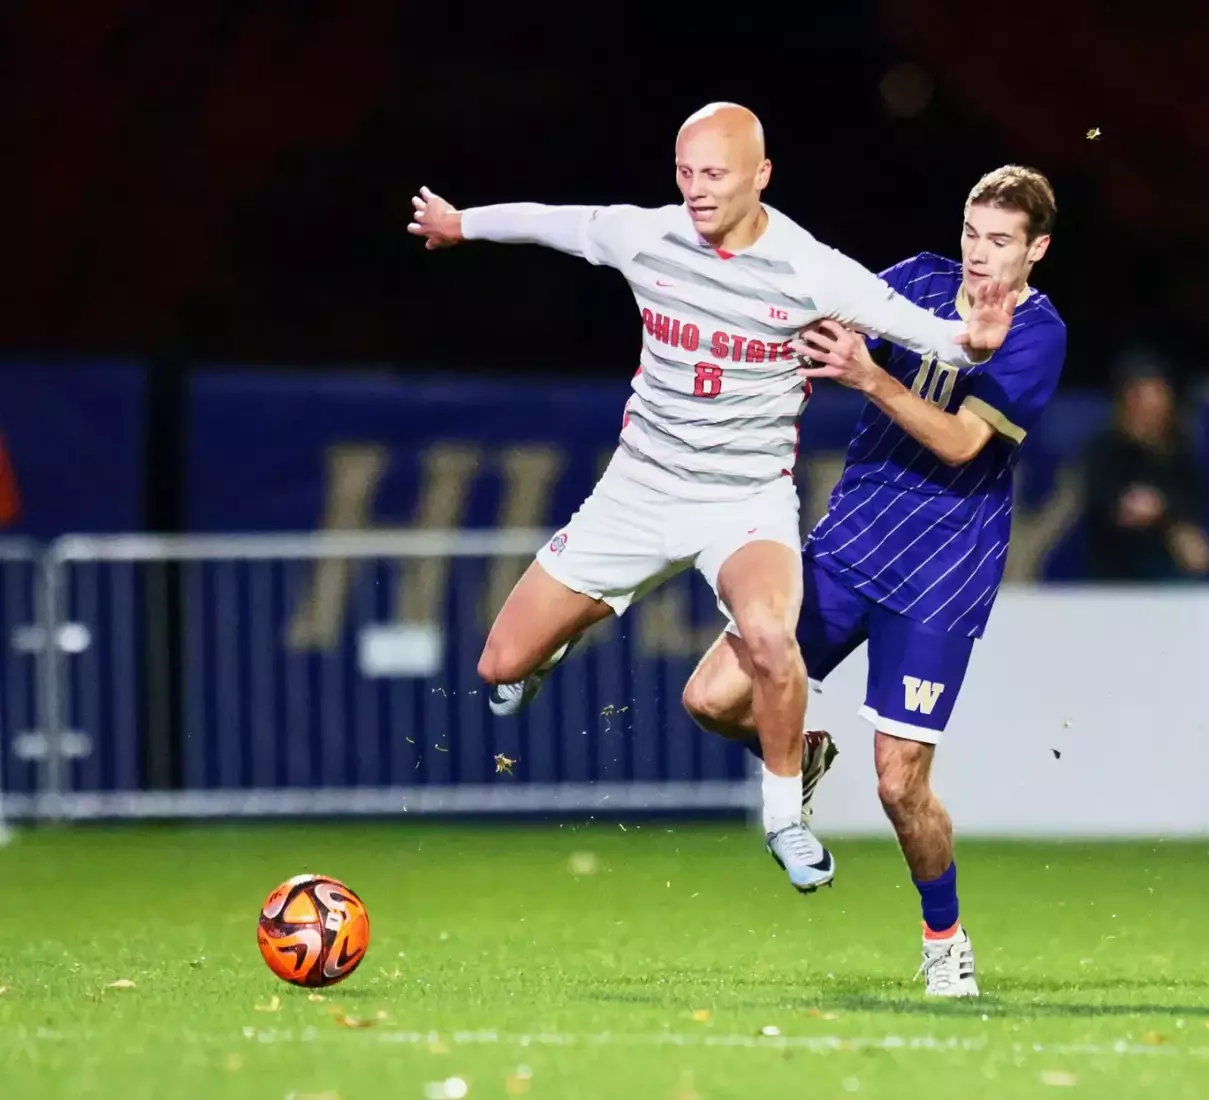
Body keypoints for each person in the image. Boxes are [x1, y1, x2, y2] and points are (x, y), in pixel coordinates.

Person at [406, 103, 1017, 893]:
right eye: (684, 173)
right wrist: (463, 225)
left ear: (760, 176)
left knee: (769, 635)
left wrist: (973, 339)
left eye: (714, 175)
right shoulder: (647, 235)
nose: (695, 191)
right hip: (639, 491)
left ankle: (784, 820)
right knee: (498, 666)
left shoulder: (808, 268)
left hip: (745, 504)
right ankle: (543, 654)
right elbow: (556, 221)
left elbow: (921, 331)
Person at [681, 165, 1066, 996]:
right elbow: (812, 314)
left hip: (939, 575)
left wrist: (867, 376)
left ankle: (944, 939)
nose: (977, 254)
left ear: (1035, 249)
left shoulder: (1040, 332)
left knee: (898, 784)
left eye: (999, 241)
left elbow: (965, 444)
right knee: (711, 698)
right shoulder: (917, 283)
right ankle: (804, 752)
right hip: (847, 548)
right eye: (971, 232)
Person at [1080, 358, 1209, 582]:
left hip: (1169, 573)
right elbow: (1106, 507)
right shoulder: (1104, 453)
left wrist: (1165, 515)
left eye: (1155, 399)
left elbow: (1195, 526)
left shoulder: (1183, 458)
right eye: (1137, 400)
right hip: (1112, 574)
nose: (1147, 411)